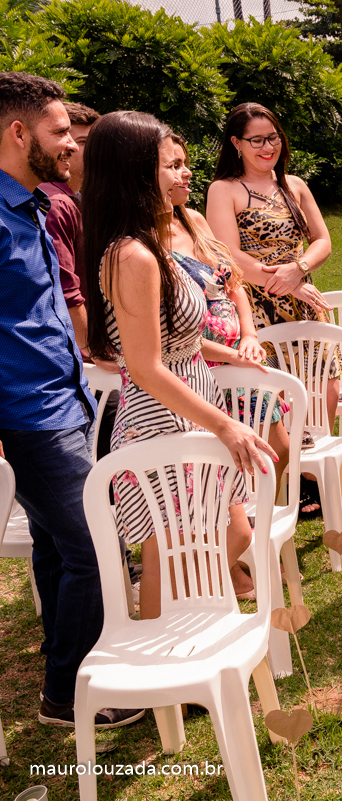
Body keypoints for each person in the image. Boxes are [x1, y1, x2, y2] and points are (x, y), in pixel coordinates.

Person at [81, 111, 277, 619]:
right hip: (160, 420)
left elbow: (176, 340)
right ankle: (161, 670)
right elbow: (144, 367)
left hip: (193, 404)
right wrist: (225, 426)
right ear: (137, 174)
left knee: (229, 535)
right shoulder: (133, 256)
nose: (184, 173)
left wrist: (230, 353)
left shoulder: (153, 243)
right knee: (169, 559)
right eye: (171, 165)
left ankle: (192, 643)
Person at [0, 72, 142, 730]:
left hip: (65, 396)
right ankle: (71, 692)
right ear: (18, 132)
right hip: (30, 414)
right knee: (96, 546)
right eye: (60, 132)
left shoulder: (29, 202)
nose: (71, 144)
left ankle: (70, 663)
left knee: (58, 548)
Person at [206, 102, 333, 517]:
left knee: (323, 390)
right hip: (253, 309)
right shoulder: (224, 189)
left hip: (303, 301)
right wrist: (278, 281)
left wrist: (298, 271)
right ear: (236, 144)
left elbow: (322, 241)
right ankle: (275, 490)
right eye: (256, 140)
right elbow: (225, 254)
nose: (267, 147)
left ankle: (309, 477)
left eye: (273, 137)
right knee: (274, 400)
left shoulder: (294, 185)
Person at [168, 133, 291, 493]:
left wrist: (250, 336)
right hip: (199, 366)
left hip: (239, 352)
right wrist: (233, 355)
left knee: (276, 449)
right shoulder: (142, 243)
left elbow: (233, 281)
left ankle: (256, 525)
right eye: (175, 166)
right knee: (227, 463)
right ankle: (240, 530)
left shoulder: (193, 220)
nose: (188, 173)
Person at [38, 101, 101, 360]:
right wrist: (90, 350)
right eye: (84, 141)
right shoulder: (56, 203)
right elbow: (66, 291)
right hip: (79, 359)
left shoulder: (80, 199)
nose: (79, 148)